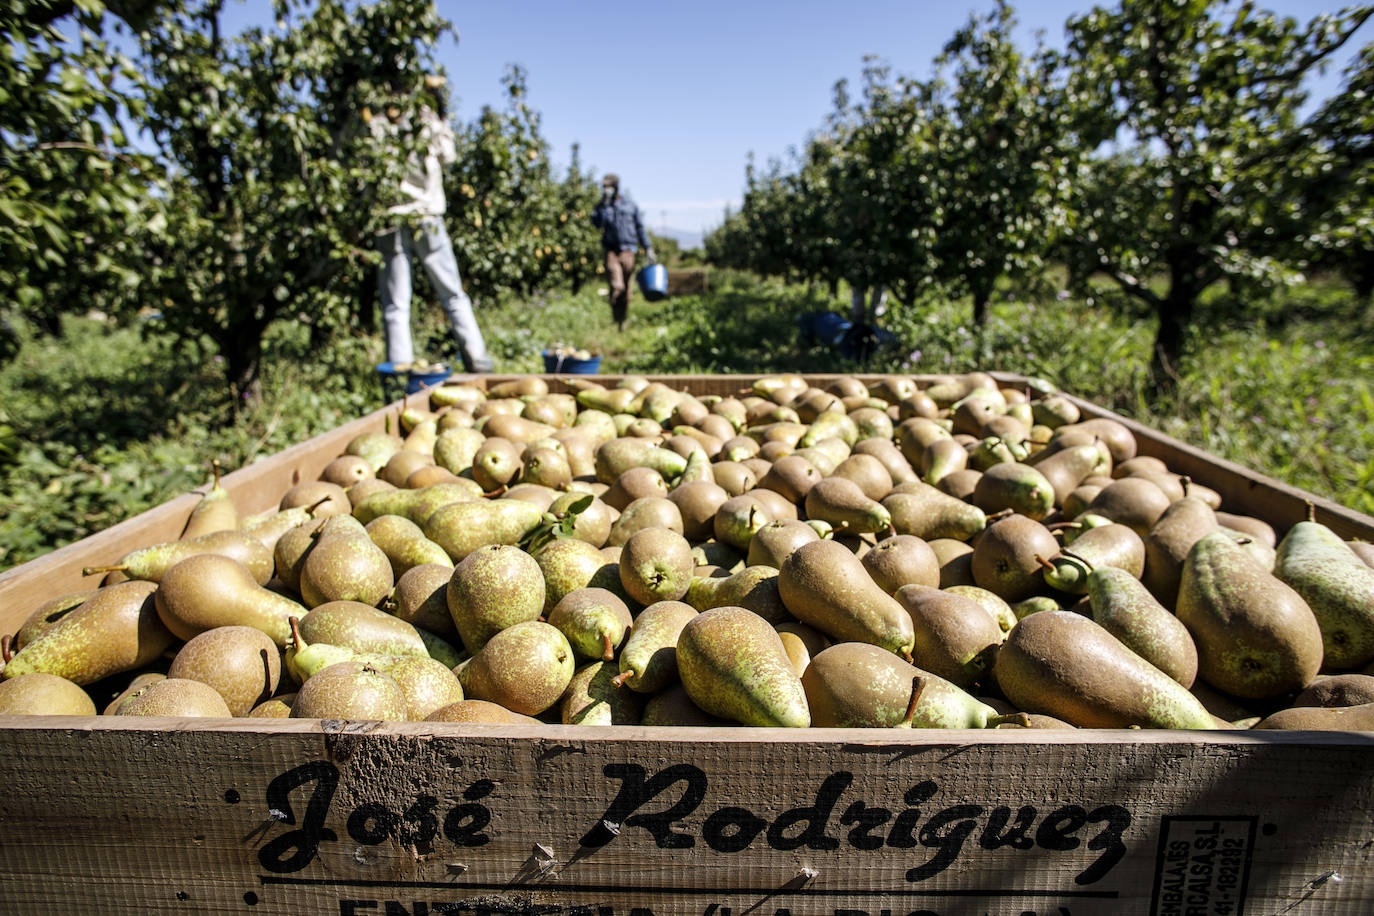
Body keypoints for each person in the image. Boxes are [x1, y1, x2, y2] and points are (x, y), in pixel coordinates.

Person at [374, 77, 492, 374]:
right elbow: (449, 156)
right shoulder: (425, 121)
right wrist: (442, 112)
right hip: (427, 217)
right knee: (452, 293)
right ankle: (477, 359)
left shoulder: (377, 123)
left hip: (392, 218)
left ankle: (401, 373)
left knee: (396, 303)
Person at [591, 173, 654, 330]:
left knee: (626, 289)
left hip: (629, 251)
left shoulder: (630, 205)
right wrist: (604, 206)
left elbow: (640, 227)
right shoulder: (602, 207)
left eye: (608, 187)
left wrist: (648, 247)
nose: (606, 190)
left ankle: (622, 320)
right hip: (611, 251)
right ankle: (616, 316)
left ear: (616, 187)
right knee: (616, 285)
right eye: (604, 188)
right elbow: (597, 224)